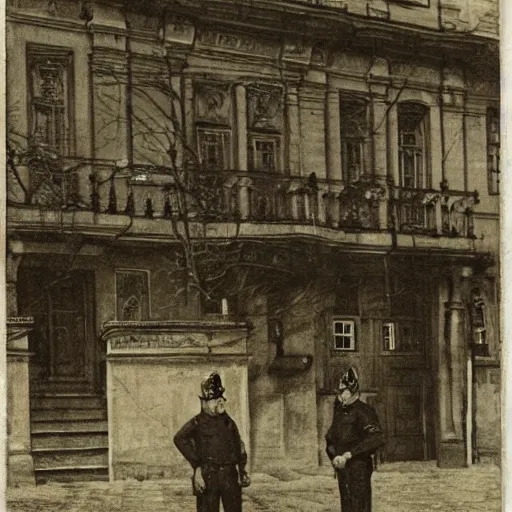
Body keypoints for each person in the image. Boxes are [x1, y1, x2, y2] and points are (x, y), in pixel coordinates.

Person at [174, 372, 251, 512]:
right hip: (208, 477)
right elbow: (179, 439)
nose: (220, 401)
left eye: (221, 397)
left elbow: (239, 446)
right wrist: (197, 466)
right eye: (215, 398)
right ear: (205, 402)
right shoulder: (197, 422)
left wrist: (242, 471)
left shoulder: (229, 422)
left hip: (230, 477)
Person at [325, 367, 385, 512]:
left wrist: (349, 454)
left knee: (359, 505)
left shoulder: (364, 411)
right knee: (346, 504)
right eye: (339, 391)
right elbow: (331, 437)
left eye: (343, 391)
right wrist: (334, 456)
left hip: (359, 466)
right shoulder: (339, 411)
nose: (340, 395)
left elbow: (376, 438)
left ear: (351, 391)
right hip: (342, 467)